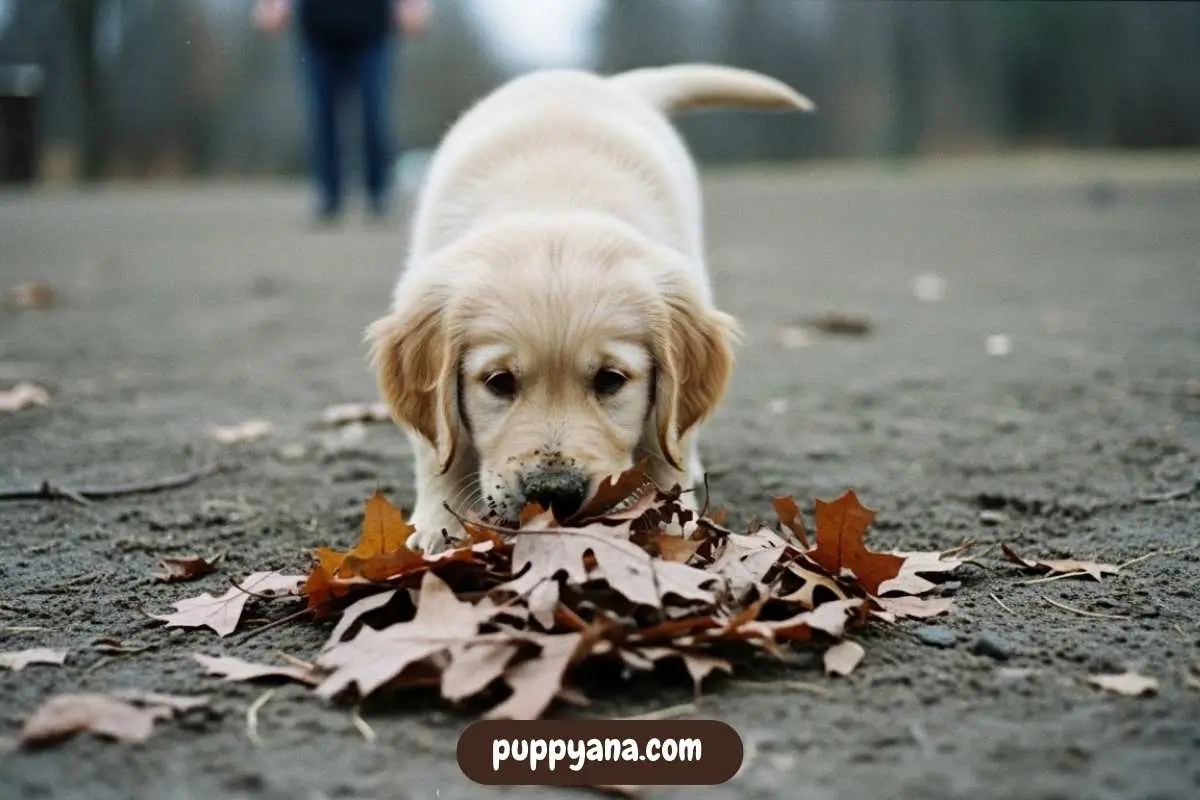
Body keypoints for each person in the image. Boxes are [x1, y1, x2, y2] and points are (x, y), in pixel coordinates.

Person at [254, 0, 430, 223]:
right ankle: (329, 195)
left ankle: (379, 192)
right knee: (321, 113)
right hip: (318, 29)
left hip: (372, 27)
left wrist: (415, 6)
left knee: (374, 111)